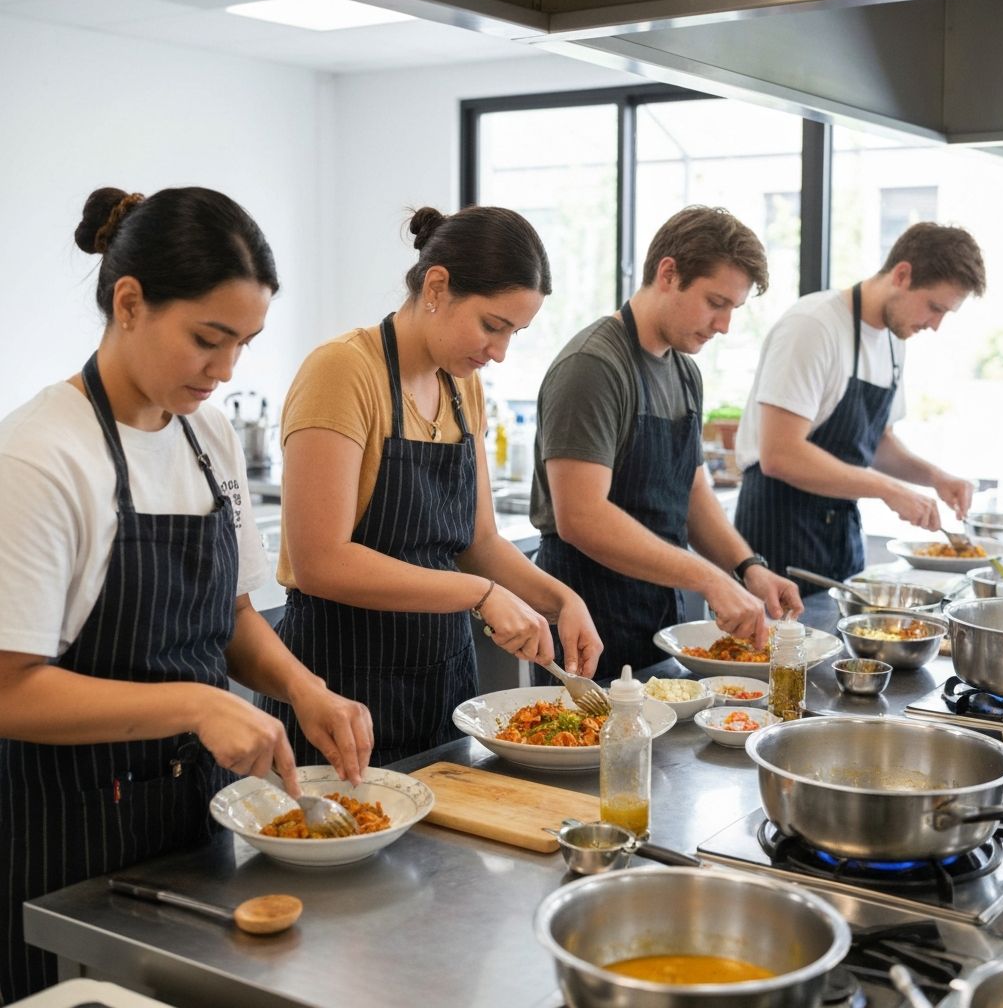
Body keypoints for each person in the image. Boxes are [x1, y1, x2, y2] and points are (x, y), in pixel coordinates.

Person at [0, 186, 374, 1003]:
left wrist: (304, 688)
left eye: (245, 343)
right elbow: (10, 690)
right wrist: (197, 705)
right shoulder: (39, 457)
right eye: (208, 339)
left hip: (193, 833)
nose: (227, 370)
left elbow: (232, 617)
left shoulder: (207, 435)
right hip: (65, 847)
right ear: (129, 303)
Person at [258, 205, 603, 766]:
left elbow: (480, 543)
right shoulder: (343, 372)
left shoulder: (463, 387)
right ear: (437, 287)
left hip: (443, 687)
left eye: (514, 334)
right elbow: (320, 561)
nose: (500, 352)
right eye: (492, 325)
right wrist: (481, 595)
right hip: (340, 689)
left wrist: (563, 601)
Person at [530, 206, 802, 681]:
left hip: (658, 616)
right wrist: (708, 577)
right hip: (589, 620)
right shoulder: (593, 367)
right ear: (668, 273)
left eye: (733, 309)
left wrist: (748, 568)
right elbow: (581, 517)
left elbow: (692, 493)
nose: (724, 325)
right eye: (715, 302)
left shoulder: (684, 371)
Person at [733, 222, 986, 593]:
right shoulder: (813, 326)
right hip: (779, 532)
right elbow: (779, 454)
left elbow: (877, 441)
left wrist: (935, 477)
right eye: (934, 307)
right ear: (902, 275)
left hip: (841, 535)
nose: (935, 325)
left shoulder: (894, 342)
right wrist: (887, 489)